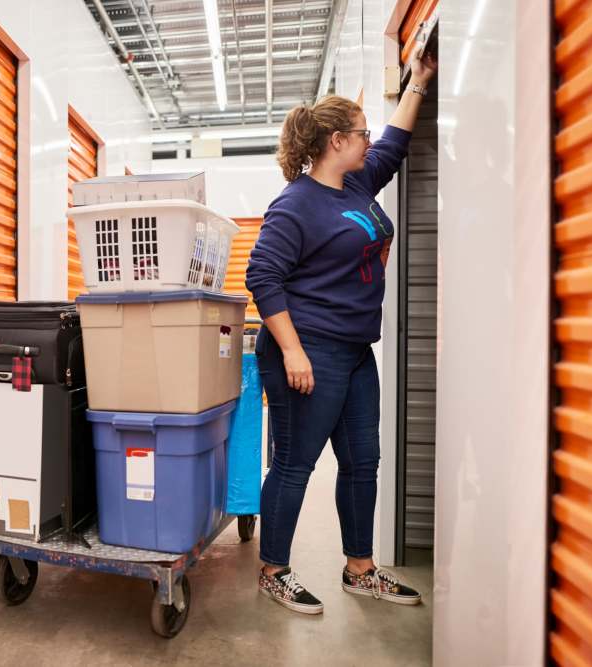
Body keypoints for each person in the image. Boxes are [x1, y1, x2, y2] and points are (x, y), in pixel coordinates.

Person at [246, 52, 438, 615]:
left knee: (363, 460)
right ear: (334, 141)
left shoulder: (357, 185)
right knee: (294, 463)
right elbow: (263, 275)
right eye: (360, 133)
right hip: (304, 351)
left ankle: (360, 569)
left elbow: (395, 144)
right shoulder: (296, 205)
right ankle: (273, 570)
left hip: (354, 352)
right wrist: (293, 352)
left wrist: (420, 82)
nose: (368, 139)